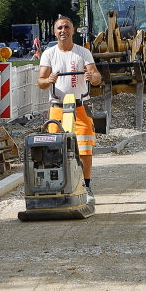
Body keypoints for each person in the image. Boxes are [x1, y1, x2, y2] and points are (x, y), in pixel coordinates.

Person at [38, 16, 101, 205]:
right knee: (54, 149)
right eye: (59, 28)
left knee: (85, 147)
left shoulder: (83, 53)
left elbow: (96, 77)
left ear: (73, 30)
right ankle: (55, 187)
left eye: (66, 27)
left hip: (80, 107)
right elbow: (41, 81)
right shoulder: (49, 54)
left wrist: (92, 77)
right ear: (55, 32)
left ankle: (86, 186)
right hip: (57, 107)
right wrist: (49, 80)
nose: (63, 30)